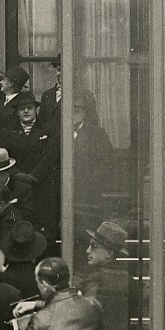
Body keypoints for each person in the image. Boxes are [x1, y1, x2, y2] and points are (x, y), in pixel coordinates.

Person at [73, 220, 131, 330]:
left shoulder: (96, 279)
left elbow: (86, 315)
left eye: (93, 246)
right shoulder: (129, 279)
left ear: (109, 253)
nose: (88, 250)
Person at [73, 88, 114, 266]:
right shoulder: (61, 133)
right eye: (71, 110)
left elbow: (107, 163)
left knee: (86, 232)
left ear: (85, 113)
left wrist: (90, 182)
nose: (74, 114)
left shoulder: (97, 134)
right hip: (68, 194)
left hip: (88, 196)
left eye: (78, 110)